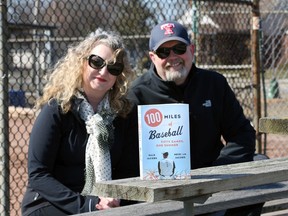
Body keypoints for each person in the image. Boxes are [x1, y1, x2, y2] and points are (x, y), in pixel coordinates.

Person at [111, 21, 264, 215]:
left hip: (212, 185)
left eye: (179, 48)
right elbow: (123, 156)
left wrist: (217, 171)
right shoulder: (136, 95)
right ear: (152, 57)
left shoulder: (214, 84)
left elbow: (242, 133)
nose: (173, 57)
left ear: (191, 50)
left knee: (259, 169)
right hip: (162, 192)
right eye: (163, 52)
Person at [21, 29, 134, 216]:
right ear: (81, 63)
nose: (103, 71)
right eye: (96, 62)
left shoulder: (122, 114)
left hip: (102, 203)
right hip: (50, 203)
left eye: (113, 67)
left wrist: (114, 198)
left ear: (118, 76)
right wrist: (88, 206)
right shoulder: (57, 109)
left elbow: (126, 169)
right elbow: (38, 175)